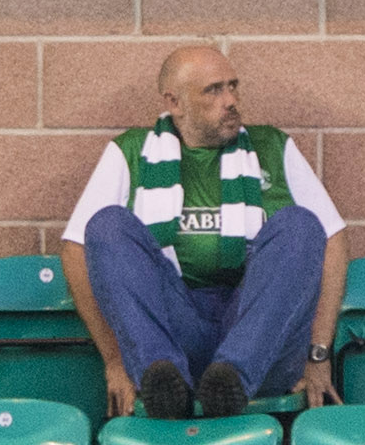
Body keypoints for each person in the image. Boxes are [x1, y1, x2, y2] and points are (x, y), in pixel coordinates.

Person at [61, 44, 349, 419]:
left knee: (301, 225)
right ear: (174, 102)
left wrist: (318, 354)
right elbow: (75, 249)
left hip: (259, 336)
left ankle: (232, 381)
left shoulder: (272, 147)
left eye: (233, 86)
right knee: (107, 226)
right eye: (213, 90)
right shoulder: (132, 151)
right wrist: (115, 360)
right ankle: (161, 380)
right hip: (178, 332)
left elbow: (333, 240)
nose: (231, 100)